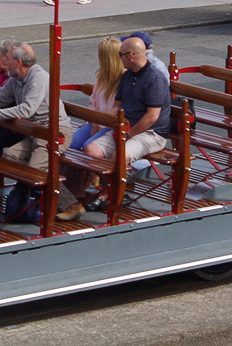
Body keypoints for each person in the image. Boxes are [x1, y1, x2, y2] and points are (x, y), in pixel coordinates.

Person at [59, 36, 170, 221]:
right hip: (126, 127)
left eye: (121, 55)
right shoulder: (127, 76)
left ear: (131, 56)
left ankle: (108, 195)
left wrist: (127, 134)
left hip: (151, 133)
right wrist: (96, 120)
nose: (119, 58)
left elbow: (152, 116)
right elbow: (117, 107)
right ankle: (74, 198)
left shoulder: (154, 78)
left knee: (120, 155)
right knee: (90, 149)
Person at [69, 37, 124, 152]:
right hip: (95, 121)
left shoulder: (124, 79)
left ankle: (89, 169)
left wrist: (99, 121)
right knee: (71, 143)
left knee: (88, 146)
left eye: (101, 55)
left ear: (108, 59)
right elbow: (92, 101)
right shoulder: (101, 76)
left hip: (111, 125)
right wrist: (94, 121)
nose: (98, 58)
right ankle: (77, 169)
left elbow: (118, 108)